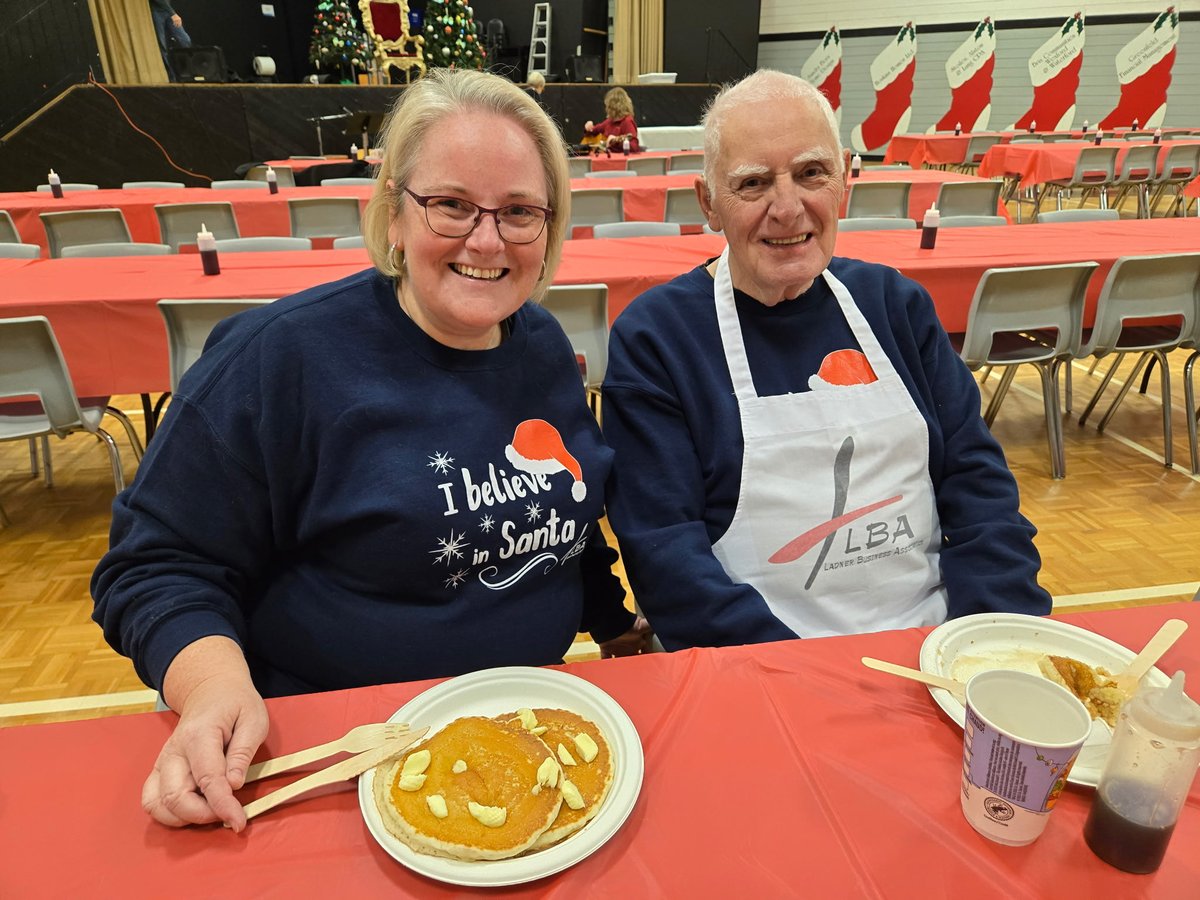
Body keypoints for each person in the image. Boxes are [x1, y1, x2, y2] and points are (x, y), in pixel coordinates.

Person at [91, 67, 651, 833]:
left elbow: (563, 520)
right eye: (451, 205)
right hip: (330, 748)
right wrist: (213, 687)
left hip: (521, 733)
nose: (486, 240)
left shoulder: (545, 347)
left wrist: (615, 623)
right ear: (393, 210)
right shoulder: (277, 357)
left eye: (520, 211)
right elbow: (157, 564)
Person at [602, 69, 1052, 652]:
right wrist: (805, 680)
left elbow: (975, 482)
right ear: (709, 203)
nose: (787, 208)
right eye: (754, 183)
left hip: (936, 645)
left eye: (811, 173)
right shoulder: (658, 338)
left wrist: (995, 636)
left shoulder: (894, 305)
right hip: (759, 668)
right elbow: (666, 555)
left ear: (843, 179)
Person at [584, 86, 639, 152]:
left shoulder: (627, 122)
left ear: (612, 106)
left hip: (620, 161)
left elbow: (634, 147)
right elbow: (593, 131)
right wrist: (588, 128)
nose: (606, 108)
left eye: (607, 105)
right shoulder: (609, 121)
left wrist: (616, 141)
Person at [149, 0, 192, 81]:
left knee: (185, 40)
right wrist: (172, 13)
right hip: (156, 11)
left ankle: (187, 73)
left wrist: (171, 12)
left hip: (167, 9)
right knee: (162, 47)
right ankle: (171, 78)